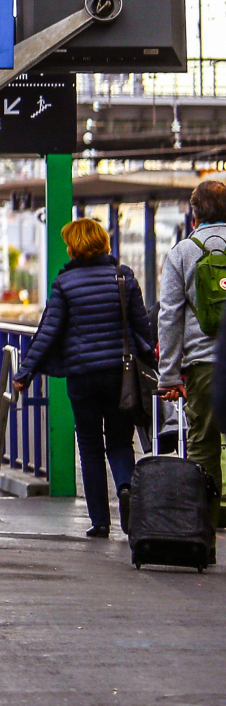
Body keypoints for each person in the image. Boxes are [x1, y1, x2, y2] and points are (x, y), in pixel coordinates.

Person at [15, 217, 156, 538]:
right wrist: (154, 366)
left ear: (74, 246)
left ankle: (100, 522)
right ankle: (125, 489)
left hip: (82, 377)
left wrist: (25, 372)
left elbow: (47, 333)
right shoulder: (124, 278)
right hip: (121, 376)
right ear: (102, 242)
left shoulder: (65, 284)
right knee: (120, 443)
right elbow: (142, 329)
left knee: (90, 447)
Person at [157, 182, 226, 524]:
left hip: (204, 365)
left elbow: (169, 316)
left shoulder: (183, 252)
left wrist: (169, 375)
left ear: (194, 214)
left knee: (203, 446)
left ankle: (205, 533)